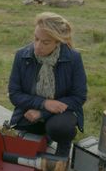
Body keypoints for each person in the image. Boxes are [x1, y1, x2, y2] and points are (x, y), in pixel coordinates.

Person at [8, 12, 87, 159]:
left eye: (45, 42)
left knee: (60, 128)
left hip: (61, 114)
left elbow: (78, 97)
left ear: (58, 42)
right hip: (28, 111)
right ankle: (44, 135)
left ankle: (63, 147)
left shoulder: (73, 58)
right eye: (36, 39)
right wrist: (44, 103)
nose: (38, 46)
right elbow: (14, 94)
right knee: (16, 147)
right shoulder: (22, 55)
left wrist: (43, 112)